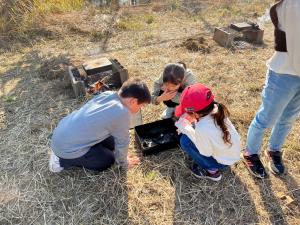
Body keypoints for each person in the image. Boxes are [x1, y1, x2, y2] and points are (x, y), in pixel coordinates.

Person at [242, 0, 300, 178]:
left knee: (288, 118)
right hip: (284, 73)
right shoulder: (292, 4)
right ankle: (250, 153)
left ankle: (273, 150)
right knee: (266, 118)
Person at [49, 78, 151, 173]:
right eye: (141, 106)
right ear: (133, 101)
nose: (140, 109)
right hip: (65, 148)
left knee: (111, 143)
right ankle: (60, 161)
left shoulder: (108, 94)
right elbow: (123, 142)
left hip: (63, 133)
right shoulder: (122, 113)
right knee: (107, 160)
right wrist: (124, 164)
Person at [175, 83, 241, 181]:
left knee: (185, 141)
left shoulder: (202, 128)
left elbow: (206, 152)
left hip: (222, 163)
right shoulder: (218, 109)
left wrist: (187, 130)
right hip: (232, 154)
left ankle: (212, 171)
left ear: (194, 113)